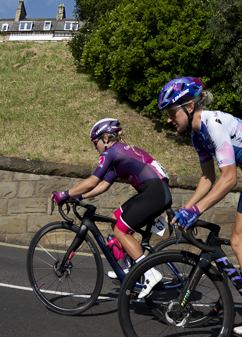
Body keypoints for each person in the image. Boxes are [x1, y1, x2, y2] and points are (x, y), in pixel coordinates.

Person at [158, 77, 242, 337]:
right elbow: (208, 179)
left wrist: (196, 211)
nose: (169, 119)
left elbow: (229, 179)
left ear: (190, 106)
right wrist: (187, 207)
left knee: (239, 242)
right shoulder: (197, 136)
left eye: (172, 112)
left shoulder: (212, 124)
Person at [51, 119, 171, 298]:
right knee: (117, 218)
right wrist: (79, 196)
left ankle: (150, 273)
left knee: (120, 229)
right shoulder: (122, 152)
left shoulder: (110, 153)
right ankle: (126, 267)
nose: (94, 147)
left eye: (95, 142)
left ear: (105, 138)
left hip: (153, 192)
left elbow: (93, 180)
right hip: (159, 191)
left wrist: (65, 193)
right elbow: (102, 186)